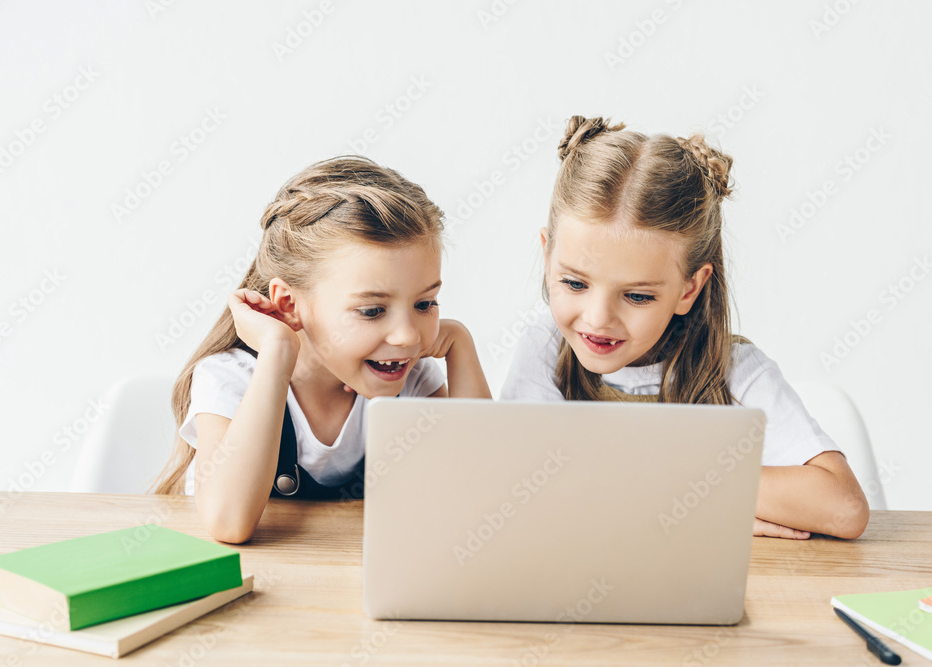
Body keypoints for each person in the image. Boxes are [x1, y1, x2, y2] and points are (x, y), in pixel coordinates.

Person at [501, 116, 869, 540]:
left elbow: (844, 508)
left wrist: (668, 491)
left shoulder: (733, 370)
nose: (598, 317)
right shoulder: (544, 348)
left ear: (689, 289)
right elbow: (532, 485)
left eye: (637, 296)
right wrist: (709, 502)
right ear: (548, 258)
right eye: (575, 283)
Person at [152, 156, 491, 543]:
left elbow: (478, 498)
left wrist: (461, 344)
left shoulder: (411, 382)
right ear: (290, 305)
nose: (407, 337)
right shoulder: (229, 381)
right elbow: (229, 523)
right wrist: (277, 352)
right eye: (372, 310)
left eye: (425, 304)